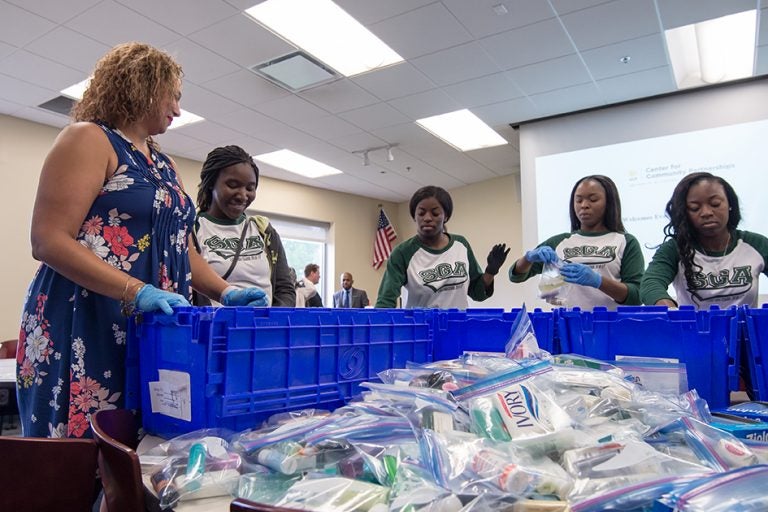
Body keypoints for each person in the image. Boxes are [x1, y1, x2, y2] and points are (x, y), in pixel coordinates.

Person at [16, 43, 266, 439]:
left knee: (140, 443)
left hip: (146, 326)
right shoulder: (88, 139)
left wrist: (226, 290)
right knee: (85, 447)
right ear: (143, 85)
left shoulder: (162, 164)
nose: (178, 110)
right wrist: (135, 289)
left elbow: (181, 247)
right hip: (86, 319)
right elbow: (48, 239)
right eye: (174, 95)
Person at [509, 175, 644, 308]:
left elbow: (637, 296)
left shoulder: (625, 241)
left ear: (609, 202)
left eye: (593, 199)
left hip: (611, 325)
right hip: (569, 324)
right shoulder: (559, 242)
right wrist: (528, 258)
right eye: (578, 200)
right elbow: (516, 276)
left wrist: (599, 281)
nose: (584, 205)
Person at [640, 172, 768, 308]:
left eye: (715, 204)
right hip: (693, 329)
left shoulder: (755, 244)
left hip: (745, 329)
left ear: (730, 204)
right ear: (684, 212)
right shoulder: (674, 248)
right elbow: (650, 284)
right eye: (695, 208)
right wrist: (671, 310)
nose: (706, 212)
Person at [375, 186, 509, 309]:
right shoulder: (403, 252)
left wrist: (491, 271)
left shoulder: (461, 244)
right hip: (422, 330)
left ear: (446, 216)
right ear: (414, 216)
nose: (427, 218)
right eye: (421, 213)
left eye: (435, 213)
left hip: (458, 328)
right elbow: (386, 300)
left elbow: (477, 292)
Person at [194, 145, 295, 306]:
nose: (242, 195)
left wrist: (272, 323)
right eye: (233, 185)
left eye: (250, 188)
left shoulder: (264, 231)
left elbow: (284, 289)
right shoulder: (193, 230)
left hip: (263, 328)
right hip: (215, 328)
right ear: (211, 183)